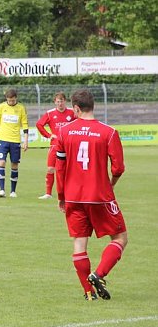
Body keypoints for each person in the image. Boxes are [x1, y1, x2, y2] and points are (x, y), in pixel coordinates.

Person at [53, 89, 127, 301]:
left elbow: (60, 167)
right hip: (100, 196)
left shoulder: (64, 132)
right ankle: (99, 274)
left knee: (79, 242)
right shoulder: (108, 132)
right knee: (121, 237)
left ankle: (88, 291)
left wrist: (61, 195)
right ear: (92, 106)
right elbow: (118, 168)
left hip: (73, 196)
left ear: (75, 108)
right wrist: (110, 184)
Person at [35, 92, 75, 199]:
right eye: (58, 101)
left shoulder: (72, 112)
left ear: (65, 101)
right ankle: (48, 193)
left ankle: (67, 193)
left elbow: (80, 123)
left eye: (61, 101)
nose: (60, 103)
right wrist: (48, 135)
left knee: (67, 171)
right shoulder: (50, 113)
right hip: (55, 145)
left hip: (69, 146)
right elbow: (39, 124)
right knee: (50, 169)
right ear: (55, 102)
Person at [0, 88, 29, 198]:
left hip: (15, 141)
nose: (10, 102)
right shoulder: (1, 107)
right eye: (9, 100)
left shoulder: (21, 108)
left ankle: (13, 191)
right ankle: (2, 190)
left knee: (14, 164)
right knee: (1, 162)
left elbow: (25, 125)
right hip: (2, 140)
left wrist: (25, 141)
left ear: (16, 98)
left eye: (12, 100)